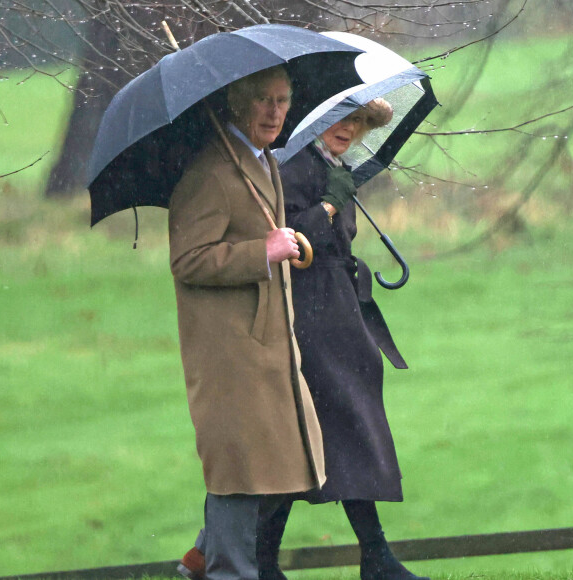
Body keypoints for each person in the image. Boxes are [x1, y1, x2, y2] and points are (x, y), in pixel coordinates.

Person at [179, 101, 429, 580]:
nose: (350, 128)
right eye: (343, 117)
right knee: (314, 439)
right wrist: (329, 206)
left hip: (340, 316)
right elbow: (287, 242)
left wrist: (338, 197)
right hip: (310, 319)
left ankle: (351, 557)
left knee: (325, 440)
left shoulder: (331, 166)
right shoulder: (291, 167)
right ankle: (362, 558)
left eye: (358, 122)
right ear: (317, 120)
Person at [169, 65, 326, 580]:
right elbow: (188, 259)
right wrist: (261, 251)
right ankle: (223, 569)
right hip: (231, 357)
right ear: (236, 103)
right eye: (262, 100)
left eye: (282, 100)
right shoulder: (212, 171)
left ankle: (206, 557)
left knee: (283, 466)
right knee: (239, 474)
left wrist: (284, 245)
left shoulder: (260, 163)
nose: (275, 111)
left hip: (269, 352)